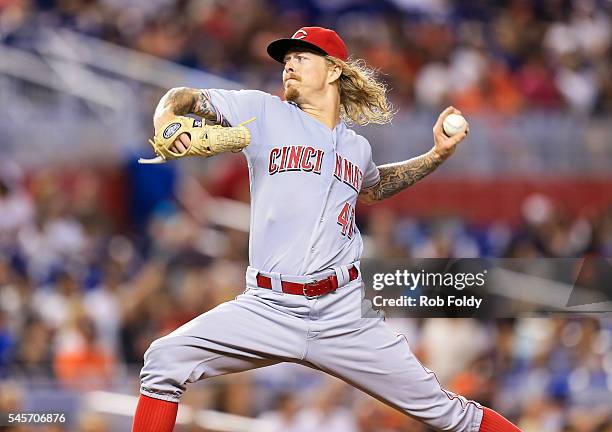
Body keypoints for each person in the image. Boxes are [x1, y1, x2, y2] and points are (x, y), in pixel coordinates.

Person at [132, 26, 521, 432]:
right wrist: (168, 122)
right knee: (163, 361)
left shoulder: (357, 148)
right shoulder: (264, 112)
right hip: (268, 305)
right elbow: (182, 98)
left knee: (449, 414)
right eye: (286, 61)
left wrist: (436, 155)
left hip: (343, 312)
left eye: (302, 58)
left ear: (334, 70)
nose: (289, 67)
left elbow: (375, 186)